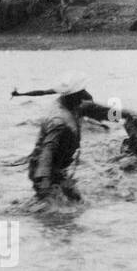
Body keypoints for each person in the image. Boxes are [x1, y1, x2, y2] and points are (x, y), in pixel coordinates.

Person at [25, 72, 93, 202]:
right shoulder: (59, 120)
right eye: (81, 91)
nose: (85, 94)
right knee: (51, 204)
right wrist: (43, 178)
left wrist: (127, 114)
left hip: (58, 168)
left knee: (75, 200)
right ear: (74, 96)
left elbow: (99, 110)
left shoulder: (71, 105)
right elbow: (48, 149)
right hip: (44, 170)